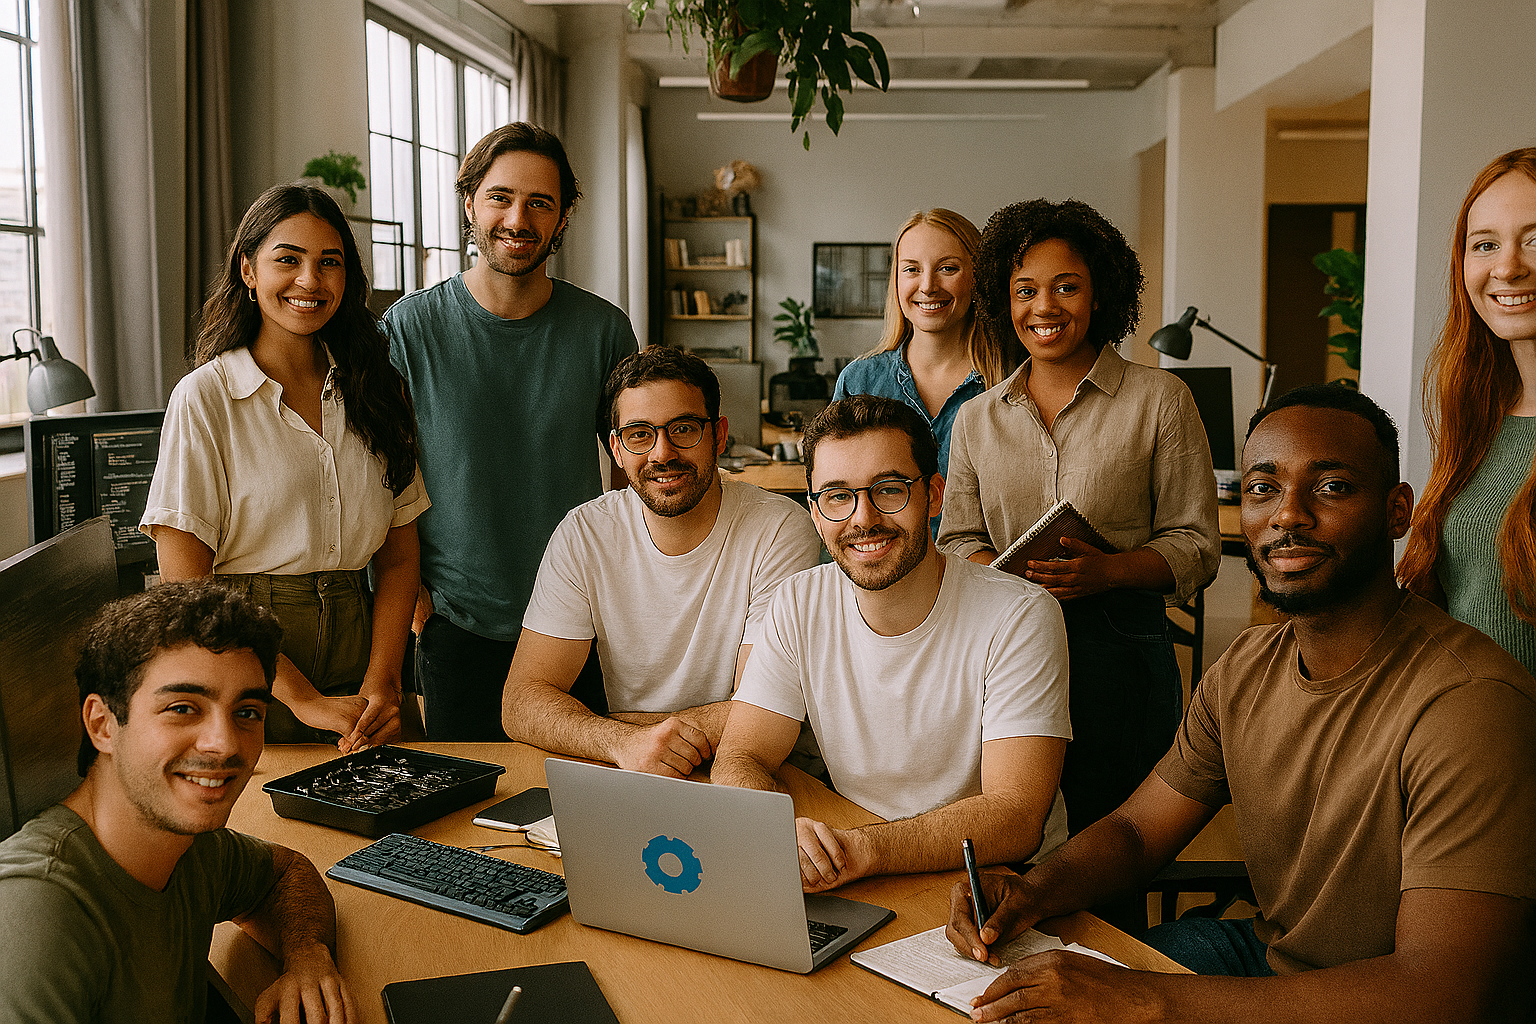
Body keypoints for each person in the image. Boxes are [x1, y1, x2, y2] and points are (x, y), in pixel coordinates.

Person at [946, 386, 1536, 1023]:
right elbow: (1138, 832)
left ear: (1398, 512)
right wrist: (1031, 891)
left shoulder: (1471, 705)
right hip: (1266, 962)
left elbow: (1440, 994)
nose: (1288, 515)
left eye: (1332, 487)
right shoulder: (1247, 666)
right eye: (1262, 488)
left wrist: (1145, 1001)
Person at [938, 198, 1220, 836]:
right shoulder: (979, 418)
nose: (1045, 307)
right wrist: (1002, 575)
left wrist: (1110, 571)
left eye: (1068, 288)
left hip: (1120, 659)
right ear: (1003, 302)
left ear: (1100, 296)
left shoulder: (1160, 400)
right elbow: (957, 538)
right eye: (1025, 290)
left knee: (1113, 850)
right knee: (1012, 838)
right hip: (1003, 655)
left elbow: (1198, 547)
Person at [714, 395, 1072, 893]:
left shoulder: (1020, 615)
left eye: (889, 490)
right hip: (864, 864)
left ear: (935, 495)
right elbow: (741, 755)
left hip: (999, 882)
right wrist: (777, 835)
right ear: (815, 513)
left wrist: (861, 849)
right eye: (838, 496)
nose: (863, 518)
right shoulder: (798, 601)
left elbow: (1015, 817)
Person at [143, 183, 428, 752]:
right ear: (248, 271)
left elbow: (399, 557)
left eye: (330, 263)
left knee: (400, 830)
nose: (310, 281)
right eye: (288, 260)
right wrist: (302, 699)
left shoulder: (376, 390)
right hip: (244, 658)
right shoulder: (207, 398)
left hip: (365, 650)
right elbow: (186, 587)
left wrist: (383, 682)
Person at [0, 580, 356, 1023]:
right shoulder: (35, 916)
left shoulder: (188, 845)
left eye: (247, 712)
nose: (224, 744)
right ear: (103, 725)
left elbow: (284, 874)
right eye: (183, 708)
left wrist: (307, 955)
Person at [384, 122, 638, 741]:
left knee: (575, 813)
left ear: (563, 216)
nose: (517, 219)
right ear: (470, 202)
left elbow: (631, 476)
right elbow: (384, 476)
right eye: (500, 197)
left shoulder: (604, 331)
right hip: (456, 623)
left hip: (578, 619)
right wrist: (407, 598)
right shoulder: (409, 329)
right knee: (461, 823)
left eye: (539, 202)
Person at [501, 347, 821, 776]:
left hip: (756, 768)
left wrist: (630, 729)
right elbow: (521, 702)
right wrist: (624, 740)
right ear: (616, 448)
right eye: (639, 434)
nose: (662, 453)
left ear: (719, 435)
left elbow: (762, 707)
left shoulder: (780, 529)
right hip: (633, 766)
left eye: (684, 429)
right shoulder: (584, 534)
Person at [1399, 147, 1536, 677]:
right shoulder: (1479, 421)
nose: (1506, 267)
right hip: (1468, 740)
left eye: (1533, 240)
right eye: (1485, 245)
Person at [832, 209, 1021, 537]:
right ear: (896, 280)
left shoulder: (1015, 379)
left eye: (948, 268)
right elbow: (835, 496)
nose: (928, 286)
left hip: (986, 577)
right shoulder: (858, 381)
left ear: (977, 277)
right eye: (912, 269)